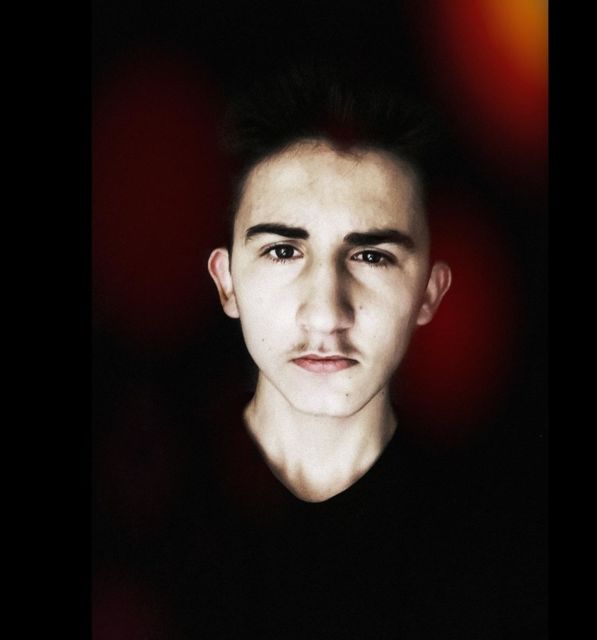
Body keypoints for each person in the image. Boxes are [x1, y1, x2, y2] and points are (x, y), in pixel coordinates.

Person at [163, 66, 546, 639]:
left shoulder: (501, 555)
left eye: (371, 257)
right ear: (227, 283)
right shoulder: (148, 522)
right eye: (283, 251)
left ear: (429, 292)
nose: (325, 314)